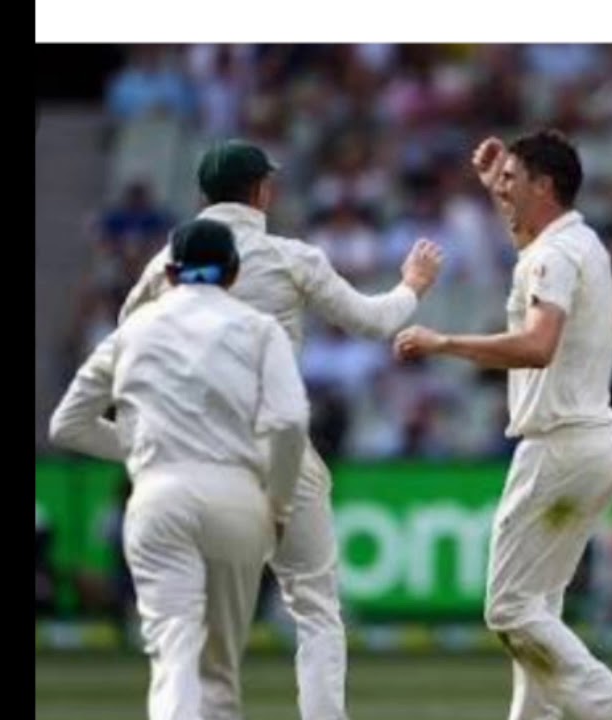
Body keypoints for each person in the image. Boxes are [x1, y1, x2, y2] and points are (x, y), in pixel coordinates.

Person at [119, 139, 443, 720]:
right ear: (262, 191)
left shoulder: (165, 265)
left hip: (193, 458)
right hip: (275, 452)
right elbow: (374, 322)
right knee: (316, 608)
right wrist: (413, 285)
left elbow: (126, 339)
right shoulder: (290, 257)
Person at [393, 129, 612, 720]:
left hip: (558, 450)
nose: (502, 188)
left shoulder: (553, 255)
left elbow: (538, 344)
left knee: (509, 609)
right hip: (590, 446)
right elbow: (530, 245)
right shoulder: (578, 243)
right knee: (537, 611)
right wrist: (498, 185)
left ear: (544, 185)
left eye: (513, 179)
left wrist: (445, 342)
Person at [49, 218, 309, 720]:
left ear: (169, 273)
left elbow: (68, 426)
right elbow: (290, 421)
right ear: (233, 274)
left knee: (173, 657)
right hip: (238, 499)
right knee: (218, 670)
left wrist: (148, 450)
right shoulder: (260, 329)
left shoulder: (130, 332)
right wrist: (277, 504)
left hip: (157, 496)